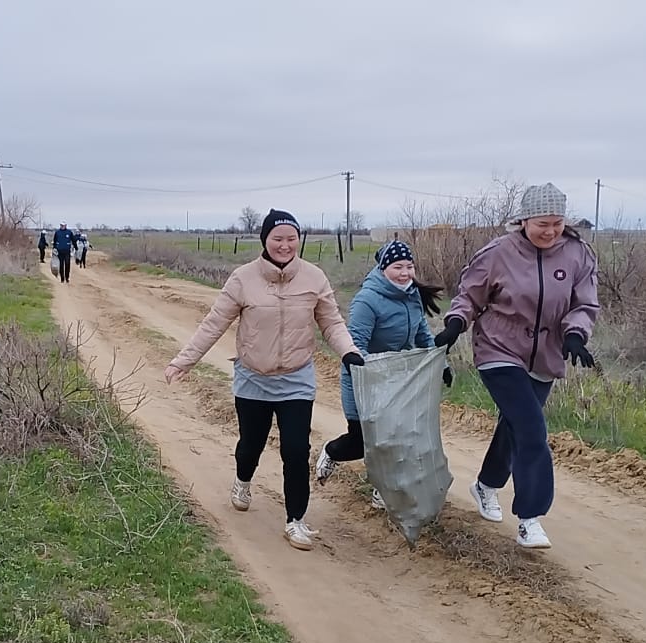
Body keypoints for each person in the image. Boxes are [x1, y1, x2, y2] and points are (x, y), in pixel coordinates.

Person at [165, 209, 362, 551]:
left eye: (291, 239)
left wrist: (349, 352)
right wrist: (185, 361)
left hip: (296, 379)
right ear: (265, 241)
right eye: (278, 239)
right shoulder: (243, 279)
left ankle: (295, 520)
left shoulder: (314, 278)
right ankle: (243, 480)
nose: (285, 245)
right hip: (253, 379)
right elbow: (214, 324)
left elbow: (331, 323)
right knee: (250, 446)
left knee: (296, 450)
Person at [432, 183, 600, 549]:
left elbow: (585, 303)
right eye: (543, 222)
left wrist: (575, 334)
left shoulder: (577, 254)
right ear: (524, 219)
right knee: (531, 427)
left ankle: (486, 485)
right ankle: (530, 517)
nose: (551, 231)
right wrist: (457, 323)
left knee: (515, 426)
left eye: (557, 223)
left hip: (547, 354)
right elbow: (470, 295)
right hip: (499, 349)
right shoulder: (499, 253)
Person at [315, 240, 451, 509]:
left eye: (409, 267)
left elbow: (423, 336)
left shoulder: (412, 296)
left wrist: (442, 365)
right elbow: (355, 346)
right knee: (362, 442)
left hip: (396, 382)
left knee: (399, 437)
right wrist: (373, 371)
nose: (405, 273)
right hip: (363, 379)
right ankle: (331, 452)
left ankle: (384, 490)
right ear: (383, 268)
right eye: (398, 267)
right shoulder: (368, 300)